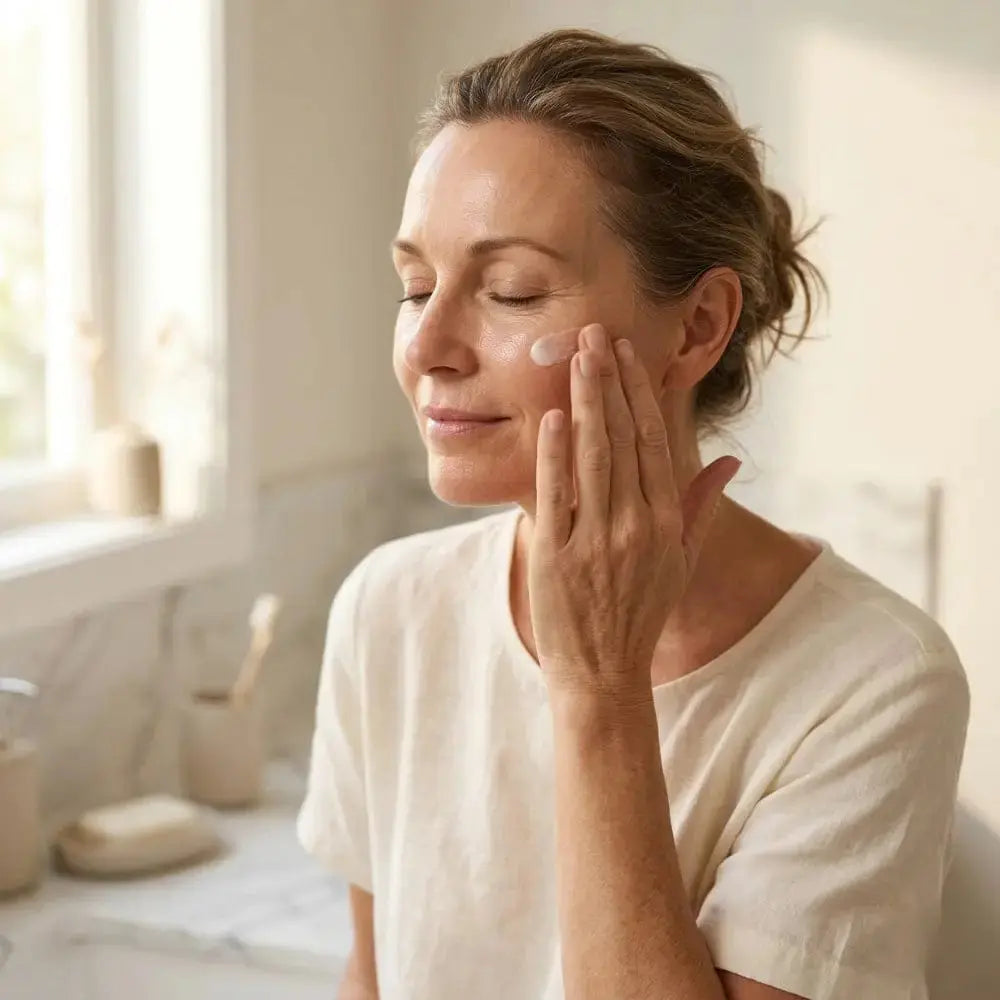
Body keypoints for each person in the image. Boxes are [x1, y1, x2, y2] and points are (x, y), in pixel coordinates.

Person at [297, 27, 969, 1000]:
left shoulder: (872, 684)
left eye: (509, 289)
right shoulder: (388, 610)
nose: (428, 345)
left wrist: (599, 692)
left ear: (696, 326)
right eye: (413, 285)